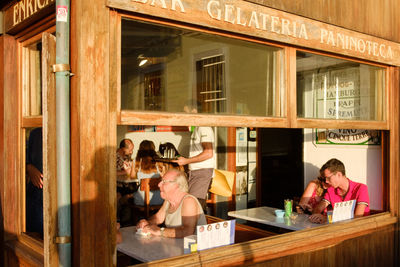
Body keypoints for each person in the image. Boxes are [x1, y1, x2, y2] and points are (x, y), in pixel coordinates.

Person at [136, 169, 207, 238]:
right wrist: (147, 223)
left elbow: (188, 232)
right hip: (175, 246)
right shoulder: (168, 201)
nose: (159, 184)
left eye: (164, 181)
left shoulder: (189, 201)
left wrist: (160, 231)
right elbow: (158, 218)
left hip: (193, 248)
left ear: (177, 185)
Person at [174, 100, 215, 210]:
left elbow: (208, 153)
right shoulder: (196, 127)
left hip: (202, 172)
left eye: (185, 112)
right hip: (195, 172)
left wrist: (186, 161)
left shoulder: (203, 127)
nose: (184, 116)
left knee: (194, 205)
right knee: (191, 203)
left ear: (194, 111)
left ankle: (196, 227)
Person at [309, 158, 370, 224]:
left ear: (339, 175)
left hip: (359, 229)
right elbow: (318, 209)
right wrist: (316, 216)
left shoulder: (361, 188)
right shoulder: (331, 190)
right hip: (338, 229)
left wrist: (326, 218)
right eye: (325, 178)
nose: (326, 181)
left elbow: (358, 218)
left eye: (328, 178)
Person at [133, 140, 164, 206]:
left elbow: (132, 176)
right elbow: (163, 176)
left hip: (141, 200)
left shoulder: (136, 161)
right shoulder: (159, 161)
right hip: (159, 199)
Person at [26, 127, 44, 237]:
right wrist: (29, 167)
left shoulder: (69, 130)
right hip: (35, 198)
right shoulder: (35, 134)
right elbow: (23, 157)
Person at [116, 138, 136, 225]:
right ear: (123, 148)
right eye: (130, 150)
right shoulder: (114, 156)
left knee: (132, 194)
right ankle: (118, 220)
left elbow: (132, 173)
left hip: (128, 183)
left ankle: (127, 221)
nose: (132, 152)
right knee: (119, 196)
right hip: (117, 184)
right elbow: (110, 172)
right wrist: (125, 172)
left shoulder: (128, 157)